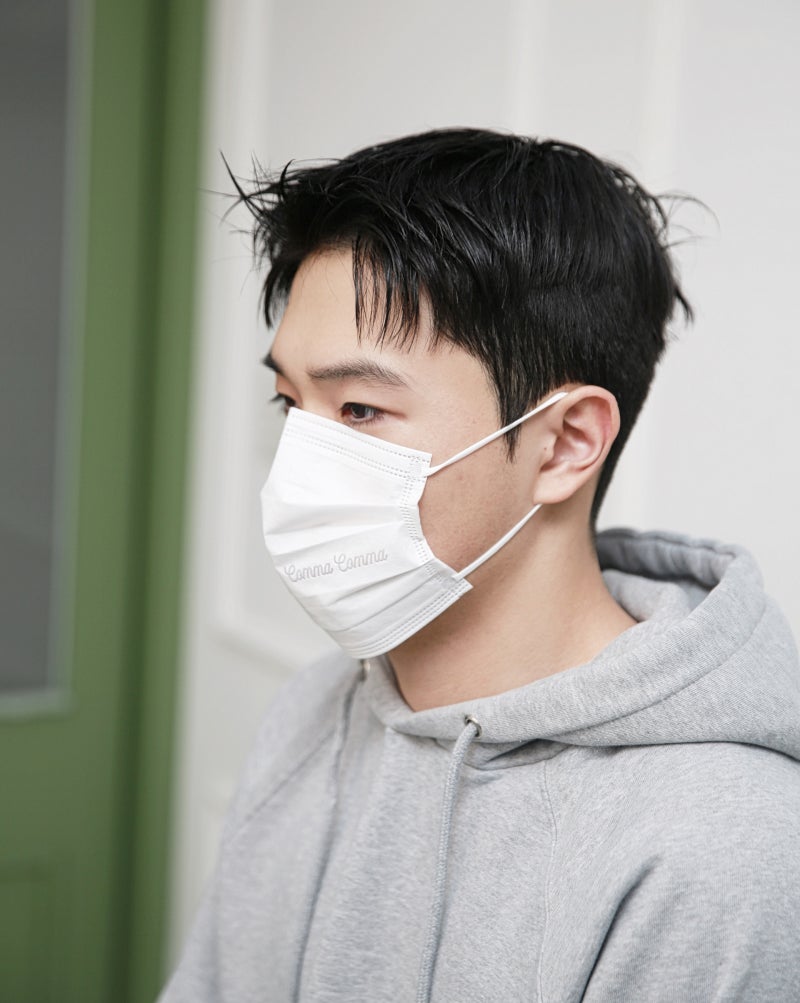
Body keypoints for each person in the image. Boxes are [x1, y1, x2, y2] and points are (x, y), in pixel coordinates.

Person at [159, 129, 800, 1002]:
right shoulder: (313, 714)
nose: (299, 465)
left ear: (565, 443)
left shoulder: (722, 852)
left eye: (359, 409)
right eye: (290, 402)